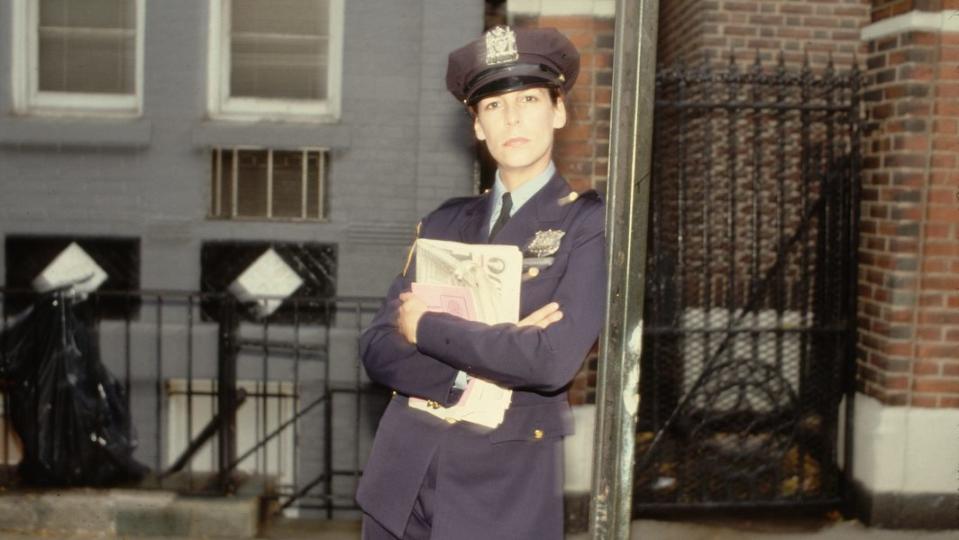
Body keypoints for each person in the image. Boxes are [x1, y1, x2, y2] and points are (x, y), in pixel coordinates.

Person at [356, 25, 606, 540]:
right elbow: (377, 347)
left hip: (501, 492)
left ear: (558, 111)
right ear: (476, 125)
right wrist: (475, 370)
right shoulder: (444, 222)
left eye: (529, 99)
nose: (512, 117)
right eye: (492, 105)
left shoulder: (587, 225)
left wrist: (425, 327)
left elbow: (550, 360)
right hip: (399, 481)